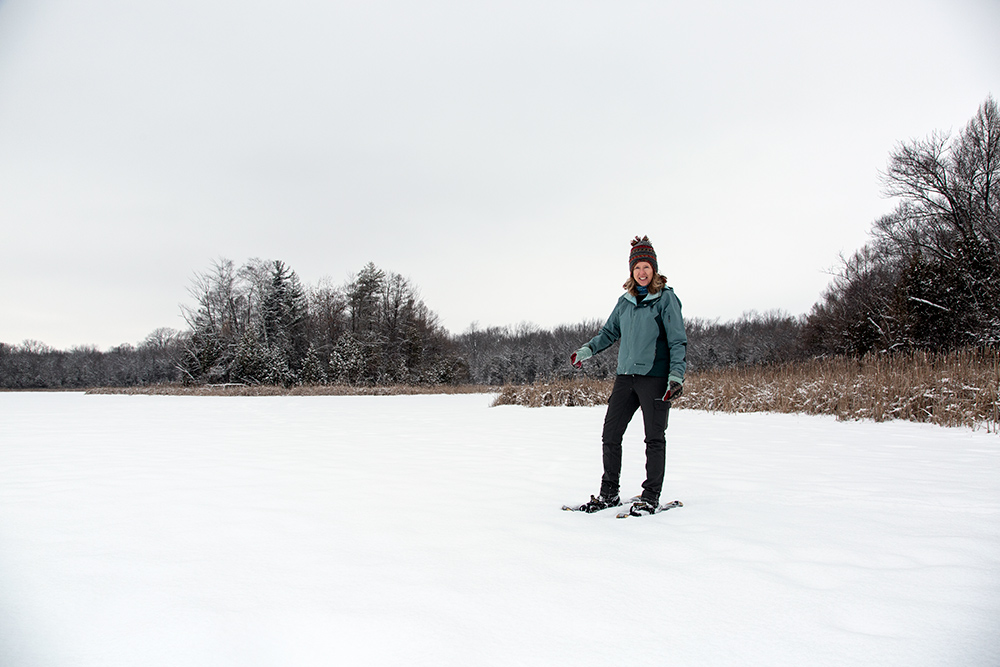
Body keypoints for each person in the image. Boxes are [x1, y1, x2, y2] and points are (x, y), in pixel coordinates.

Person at [569, 235, 687, 515]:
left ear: (654, 269)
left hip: (655, 378)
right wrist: (586, 351)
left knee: (654, 438)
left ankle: (651, 496)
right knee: (611, 434)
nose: (642, 273)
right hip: (625, 377)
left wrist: (676, 376)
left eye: (646, 267)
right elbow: (609, 332)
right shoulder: (625, 302)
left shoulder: (666, 299)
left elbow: (677, 341)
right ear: (631, 271)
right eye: (637, 268)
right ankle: (609, 493)